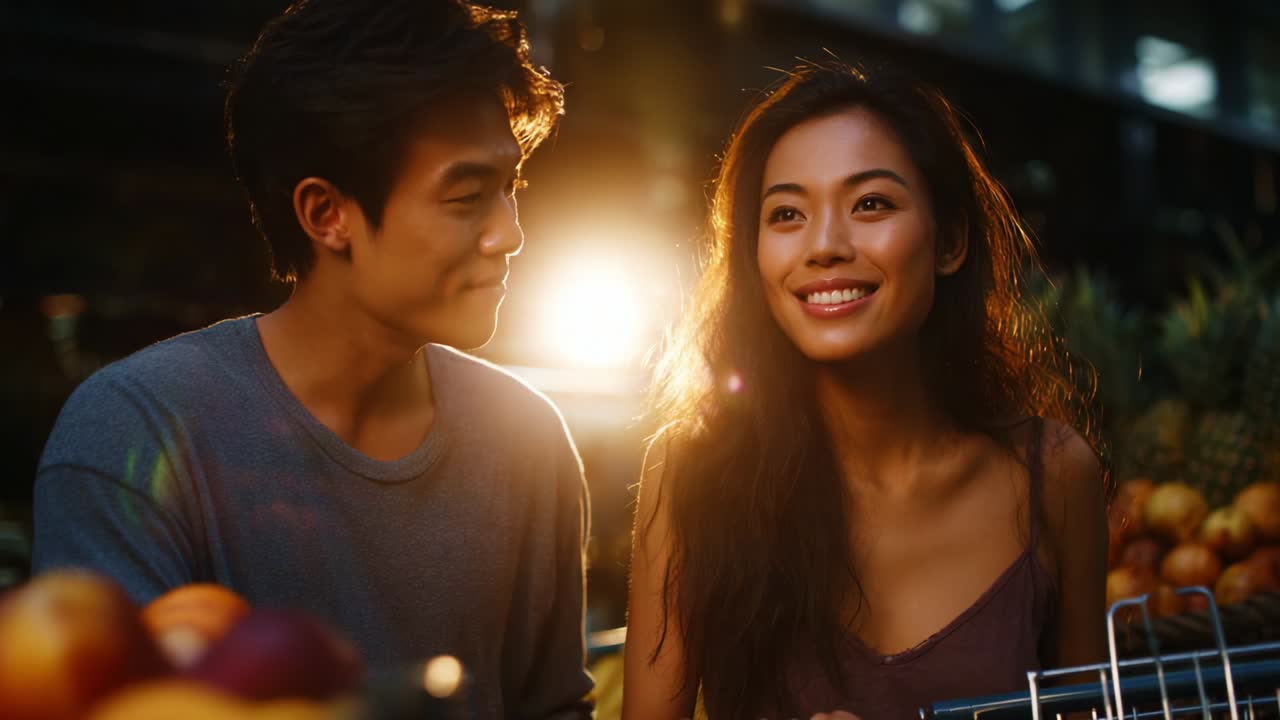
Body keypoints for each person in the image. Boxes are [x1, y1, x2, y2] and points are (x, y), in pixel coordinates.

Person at [32, 1, 593, 716]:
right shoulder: (131, 436)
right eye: (467, 196)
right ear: (326, 214)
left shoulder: (529, 441)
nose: (509, 234)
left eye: (510, 189)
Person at [623, 60, 1108, 720]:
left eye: (871, 204)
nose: (823, 245)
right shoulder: (690, 475)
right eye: (787, 213)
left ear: (951, 241)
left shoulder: (1052, 476)